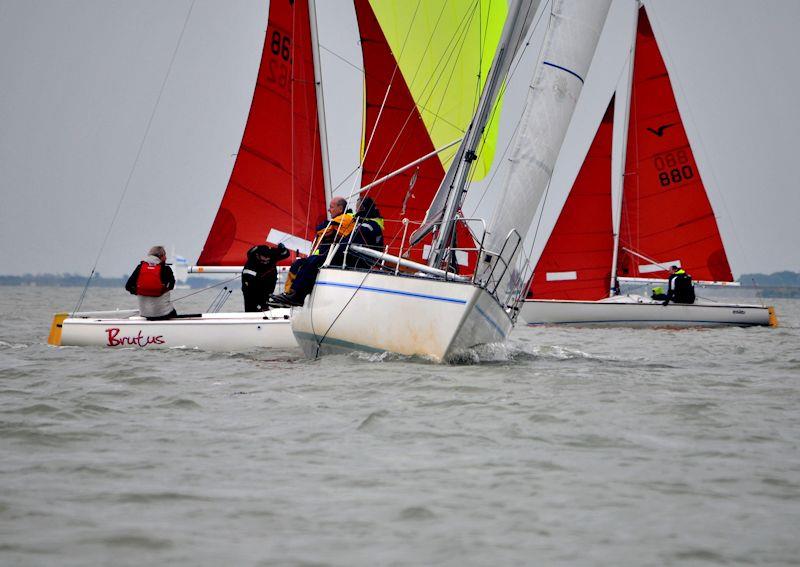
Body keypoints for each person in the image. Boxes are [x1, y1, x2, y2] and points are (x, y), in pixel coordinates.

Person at [270, 196, 355, 306]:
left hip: (336, 256)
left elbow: (323, 229)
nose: (329, 210)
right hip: (325, 254)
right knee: (297, 264)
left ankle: (298, 297)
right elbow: (325, 229)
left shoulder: (346, 217)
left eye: (331, 207)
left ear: (340, 208)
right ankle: (289, 294)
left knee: (310, 264)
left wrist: (325, 226)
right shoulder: (338, 219)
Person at [125, 245, 177, 320]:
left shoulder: (140, 267)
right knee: (173, 312)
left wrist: (140, 291)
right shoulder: (166, 269)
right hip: (164, 314)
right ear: (161, 256)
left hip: (144, 314)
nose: (166, 258)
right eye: (165, 255)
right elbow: (171, 286)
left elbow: (128, 286)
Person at [241, 243, 289, 311]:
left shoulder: (272, 254)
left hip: (268, 288)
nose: (267, 259)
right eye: (265, 257)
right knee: (251, 308)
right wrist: (260, 277)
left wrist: (283, 249)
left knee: (265, 306)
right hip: (251, 289)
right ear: (258, 255)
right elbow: (248, 279)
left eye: (268, 257)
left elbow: (286, 254)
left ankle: (264, 308)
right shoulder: (251, 264)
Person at [347, 196, 384, 268]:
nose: (356, 210)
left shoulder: (368, 226)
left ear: (362, 208)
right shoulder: (375, 221)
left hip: (364, 261)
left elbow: (355, 238)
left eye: (357, 208)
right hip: (372, 259)